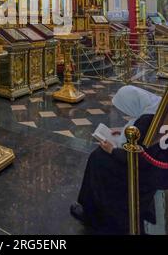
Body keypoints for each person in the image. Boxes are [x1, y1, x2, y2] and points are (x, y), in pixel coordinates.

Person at [70, 85, 168, 234]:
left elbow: (139, 156)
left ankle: (93, 214)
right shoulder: (157, 107)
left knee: (98, 159)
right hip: (156, 170)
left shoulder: (147, 120)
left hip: (147, 173)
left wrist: (112, 150)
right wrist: (123, 132)